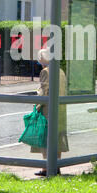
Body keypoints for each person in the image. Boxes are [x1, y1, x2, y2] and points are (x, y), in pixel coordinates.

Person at [32, 48, 69, 176]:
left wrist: (36, 106)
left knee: (46, 138)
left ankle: (47, 168)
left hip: (48, 110)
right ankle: (56, 165)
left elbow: (43, 92)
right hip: (61, 109)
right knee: (57, 137)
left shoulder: (45, 72)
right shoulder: (60, 71)